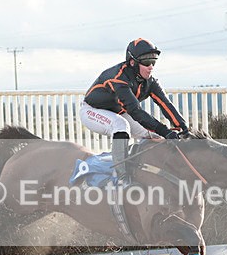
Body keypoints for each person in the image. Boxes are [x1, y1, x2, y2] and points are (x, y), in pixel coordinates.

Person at [81, 38, 188, 184]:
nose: (151, 67)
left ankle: (142, 170)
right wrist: (165, 130)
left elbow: (166, 104)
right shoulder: (119, 79)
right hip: (92, 110)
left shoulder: (151, 82)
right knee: (120, 126)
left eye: (153, 62)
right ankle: (121, 176)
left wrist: (183, 128)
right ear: (132, 62)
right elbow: (135, 111)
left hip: (118, 112)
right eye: (146, 62)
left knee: (154, 135)